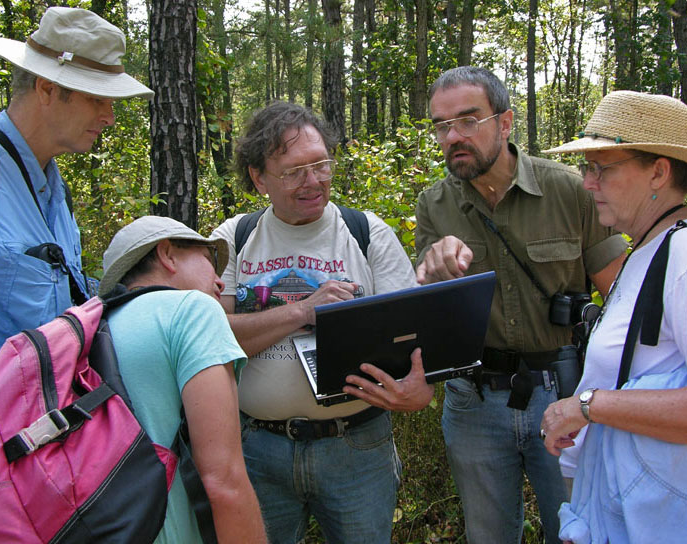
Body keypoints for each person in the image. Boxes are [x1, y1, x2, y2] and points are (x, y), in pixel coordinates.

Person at [413, 67, 627, 544]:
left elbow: (620, 294)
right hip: (474, 400)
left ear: (505, 122)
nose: (453, 136)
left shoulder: (570, 190)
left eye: (468, 120)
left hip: (564, 390)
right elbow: (425, 307)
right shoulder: (435, 205)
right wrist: (431, 271)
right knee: (488, 534)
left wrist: (615, 397)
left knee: (576, 529)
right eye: (442, 125)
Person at [210, 101, 418, 544]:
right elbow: (213, 339)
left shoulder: (368, 234)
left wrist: (417, 389)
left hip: (357, 448)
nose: (314, 181)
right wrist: (304, 311)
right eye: (293, 171)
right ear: (258, 177)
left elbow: (411, 337)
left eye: (321, 165)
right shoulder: (233, 239)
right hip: (258, 449)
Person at [0, 6, 153, 398]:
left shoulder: (55, 192)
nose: (110, 117)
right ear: (47, 89)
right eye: (98, 98)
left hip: (40, 433)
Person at [540, 90, 687, 544]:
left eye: (602, 168)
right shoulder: (645, 249)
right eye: (587, 169)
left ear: (658, 172)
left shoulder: (681, 255)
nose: (587, 183)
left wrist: (586, 406)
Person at [98, 215, 267, 544]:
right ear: (167, 254)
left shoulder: (96, 326)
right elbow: (224, 482)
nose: (219, 282)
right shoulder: (194, 310)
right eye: (208, 260)